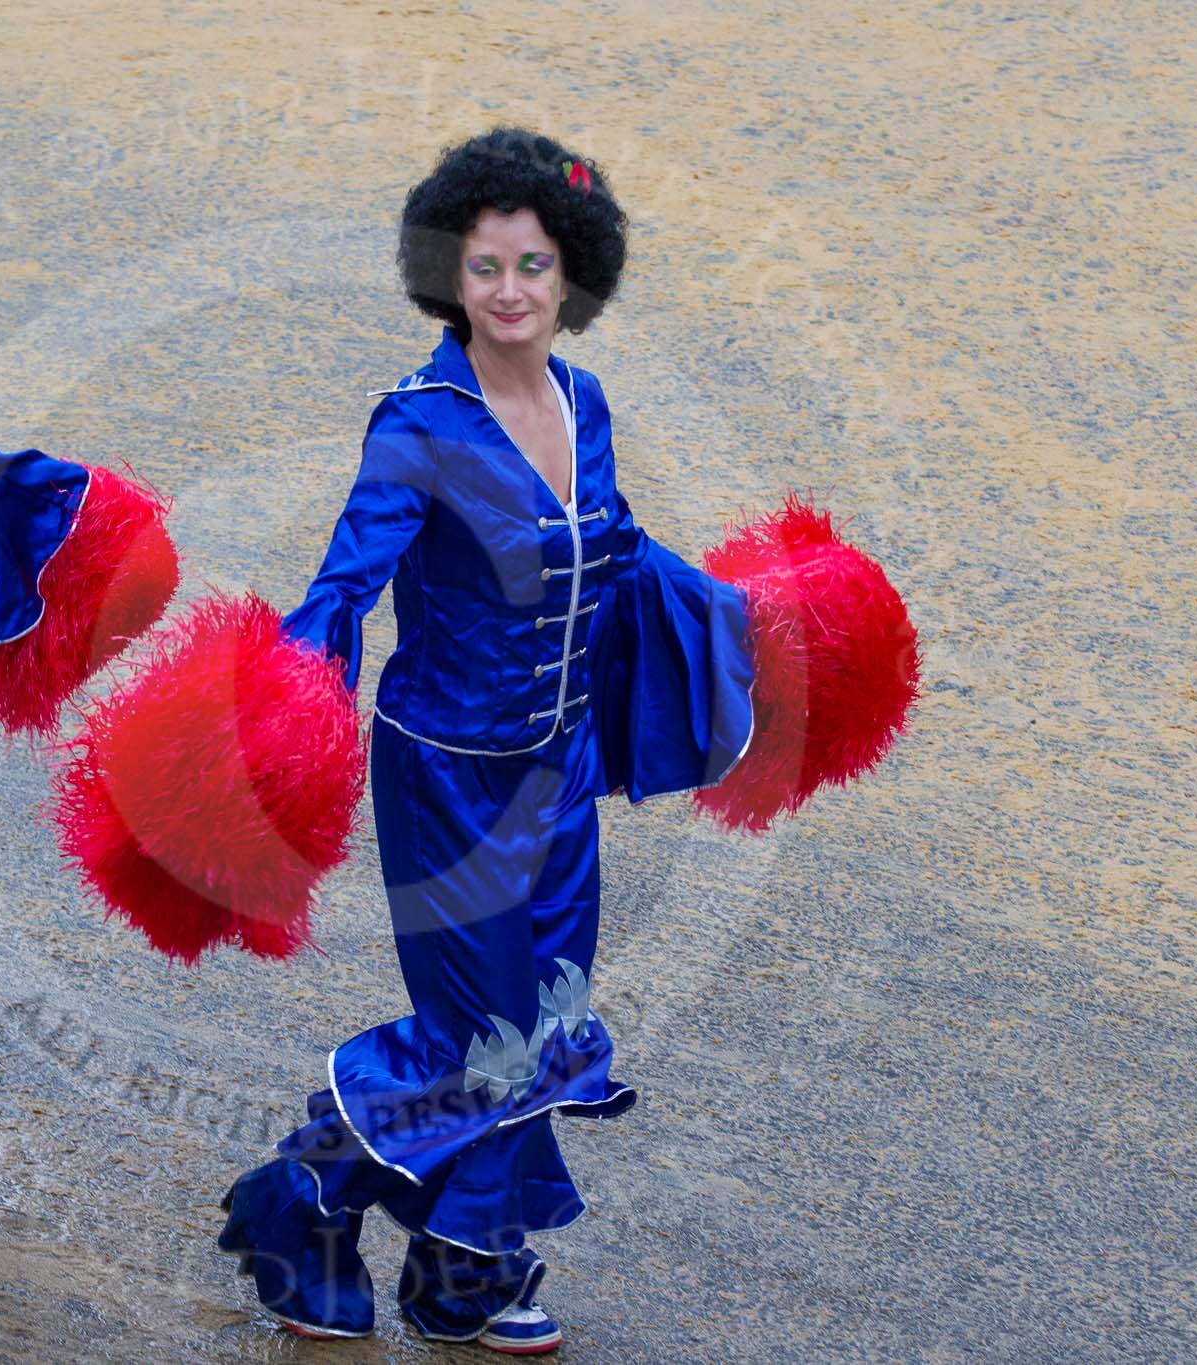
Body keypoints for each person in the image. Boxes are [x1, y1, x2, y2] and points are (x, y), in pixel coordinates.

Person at [217, 129, 756, 1352]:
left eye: (532, 264)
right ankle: (299, 1196)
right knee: (484, 1038)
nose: (508, 292)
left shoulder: (585, 400)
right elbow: (346, 582)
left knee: (547, 1020)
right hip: (447, 778)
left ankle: (460, 1271)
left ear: (573, 276)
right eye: (482, 268)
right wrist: (278, 715)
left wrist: (758, 623)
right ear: (445, 278)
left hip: (557, 772)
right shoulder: (416, 424)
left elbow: (611, 550)